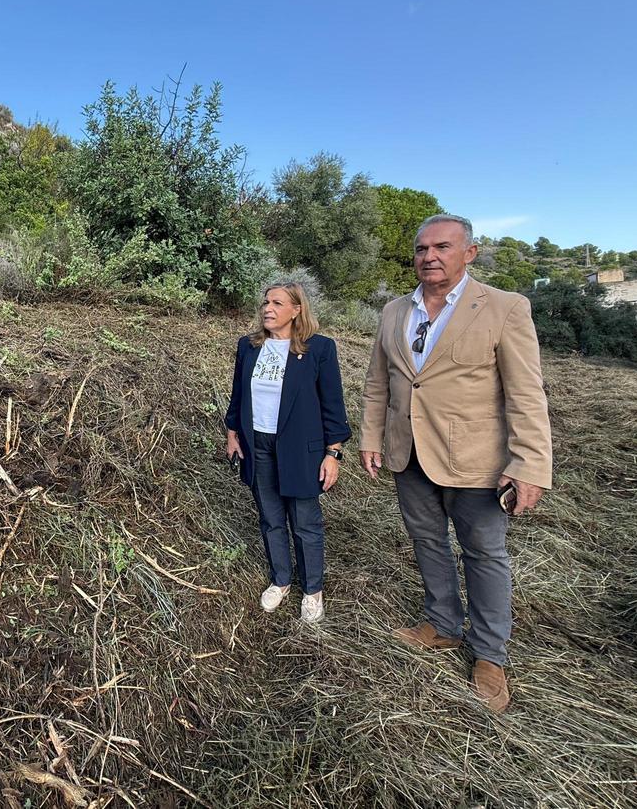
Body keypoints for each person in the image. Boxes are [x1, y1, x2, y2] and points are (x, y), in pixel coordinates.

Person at [359, 213, 552, 714]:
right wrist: (371, 436)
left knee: (484, 554)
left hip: (477, 460)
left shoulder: (505, 307)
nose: (430, 256)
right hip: (409, 453)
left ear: (469, 252)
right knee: (426, 541)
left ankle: (490, 655)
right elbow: (380, 383)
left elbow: (526, 393)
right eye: (422, 249)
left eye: (442, 247)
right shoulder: (394, 311)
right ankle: (442, 625)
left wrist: (529, 461)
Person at [225, 282, 351, 623]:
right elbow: (239, 393)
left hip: (301, 449)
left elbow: (332, 404)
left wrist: (332, 453)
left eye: (277, 303)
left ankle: (312, 589)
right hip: (257, 445)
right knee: (270, 517)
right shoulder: (249, 347)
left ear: (296, 310)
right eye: (265, 301)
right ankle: (280, 580)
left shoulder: (318, 349)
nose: (268, 307)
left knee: (304, 522)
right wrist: (232, 431)